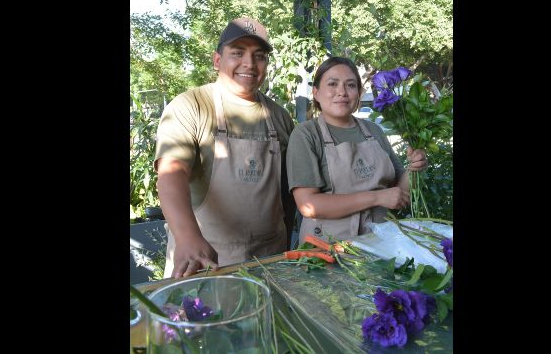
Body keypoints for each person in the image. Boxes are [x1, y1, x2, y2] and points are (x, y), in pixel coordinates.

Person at [154, 17, 296, 278]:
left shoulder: (280, 117)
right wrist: (187, 238)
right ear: (217, 60)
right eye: (237, 53)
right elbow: (171, 173)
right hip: (205, 260)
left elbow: (288, 195)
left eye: (259, 56)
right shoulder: (192, 105)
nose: (249, 64)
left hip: (270, 260)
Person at [286, 56, 428, 242]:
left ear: (359, 93)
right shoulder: (306, 134)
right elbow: (308, 205)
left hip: (381, 244)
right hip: (327, 248)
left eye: (350, 85)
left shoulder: (374, 131)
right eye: (332, 84)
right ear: (316, 93)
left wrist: (414, 168)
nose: (342, 92)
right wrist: (376, 198)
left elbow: (398, 194)